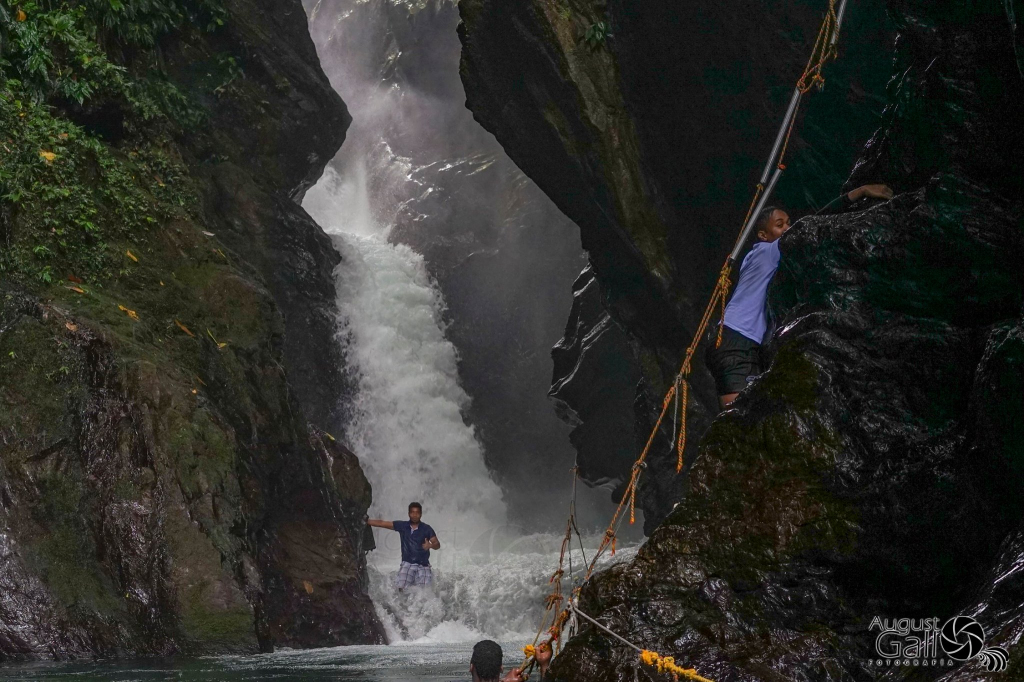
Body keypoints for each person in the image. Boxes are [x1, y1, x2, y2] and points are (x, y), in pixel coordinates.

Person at [706, 183, 893, 409]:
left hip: (733, 342)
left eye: (788, 223)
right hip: (737, 341)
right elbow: (812, 226)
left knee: (740, 420)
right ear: (763, 235)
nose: (787, 228)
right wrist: (857, 194)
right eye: (779, 225)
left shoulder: (754, 258)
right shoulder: (768, 251)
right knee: (739, 420)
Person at [367, 502, 440, 590]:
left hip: (423, 565)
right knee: (401, 589)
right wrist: (367, 521)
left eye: (417, 512)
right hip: (407, 563)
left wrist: (430, 545)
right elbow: (382, 523)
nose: (415, 515)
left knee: (425, 592)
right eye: (412, 512)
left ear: (421, 514)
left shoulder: (427, 529)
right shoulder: (403, 526)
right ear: (409, 514)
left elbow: (437, 545)